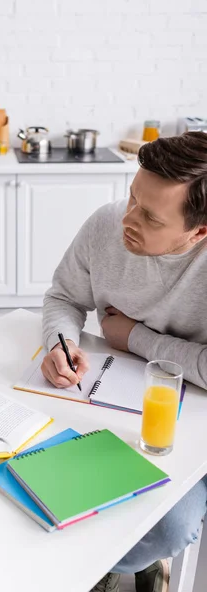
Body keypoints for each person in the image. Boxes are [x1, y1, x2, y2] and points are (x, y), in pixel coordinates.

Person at [41, 132, 207, 591]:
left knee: (169, 529)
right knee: (42, 489)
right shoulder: (107, 222)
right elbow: (63, 297)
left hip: (191, 425)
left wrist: (135, 337)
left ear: (199, 232)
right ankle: (114, 563)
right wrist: (60, 342)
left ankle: (121, 564)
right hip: (101, 396)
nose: (127, 218)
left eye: (150, 216)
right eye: (133, 197)